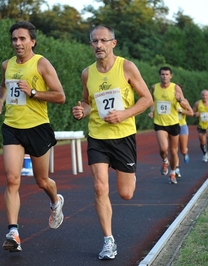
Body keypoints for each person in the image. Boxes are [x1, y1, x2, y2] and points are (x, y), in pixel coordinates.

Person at [71, 25, 153, 260]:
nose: (98, 45)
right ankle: (108, 240)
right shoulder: (87, 73)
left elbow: (146, 98)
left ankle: (130, 174)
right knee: (99, 187)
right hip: (97, 136)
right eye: (94, 42)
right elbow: (87, 103)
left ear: (113, 43)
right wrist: (81, 111)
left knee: (126, 194)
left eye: (103, 41)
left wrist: (124, 114)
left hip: (123, 136)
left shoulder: (126, 67)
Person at [0, 21, 66, 253]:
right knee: (12, 179)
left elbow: (60, 96)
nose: (18, 43)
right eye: (14, 39)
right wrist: (0, 101)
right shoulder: (7, 65)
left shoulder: (41, 63)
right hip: (12, 126)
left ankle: (56, 201)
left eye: (22, 39)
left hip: (37, 127)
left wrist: (33, 92)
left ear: (32, 41)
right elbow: (4, 86)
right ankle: (13, 232)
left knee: (41, 180)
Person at [148, 68, 189, 184]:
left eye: (167, 74)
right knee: (163, 148)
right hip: (160, 123)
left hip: (174, 123)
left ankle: (172, 172)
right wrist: (152, 111)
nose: (164, 76)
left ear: (171, 76)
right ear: (159, 75)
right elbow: (152, 102)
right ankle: (165, 160)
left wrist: (180, 99)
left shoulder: (176, 88)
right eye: (162, 74)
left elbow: (185, 104)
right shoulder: (154, 87)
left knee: (174, 151)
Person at [193, 90, 208, 162]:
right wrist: (196, 114)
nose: (204, 97)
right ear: (201, 96)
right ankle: (205, 154)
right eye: (203, 95)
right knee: (202, 142)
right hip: (201, 125)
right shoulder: (197, 103)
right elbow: (193, 111)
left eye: (206, 95)